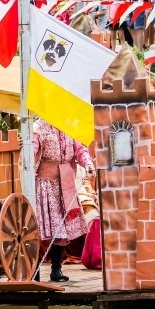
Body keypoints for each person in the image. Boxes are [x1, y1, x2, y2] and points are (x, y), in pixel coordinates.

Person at [32, 118, 94, 282]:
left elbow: (80, 149)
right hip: (45, 185)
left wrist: (88, 163)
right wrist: (27, 154)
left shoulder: (70, 126)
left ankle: (56, 270)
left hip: (65, 182)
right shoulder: (38, 127)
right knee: (39, 228)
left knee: (63, 228)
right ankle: (34, 270)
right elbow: (32, 148)